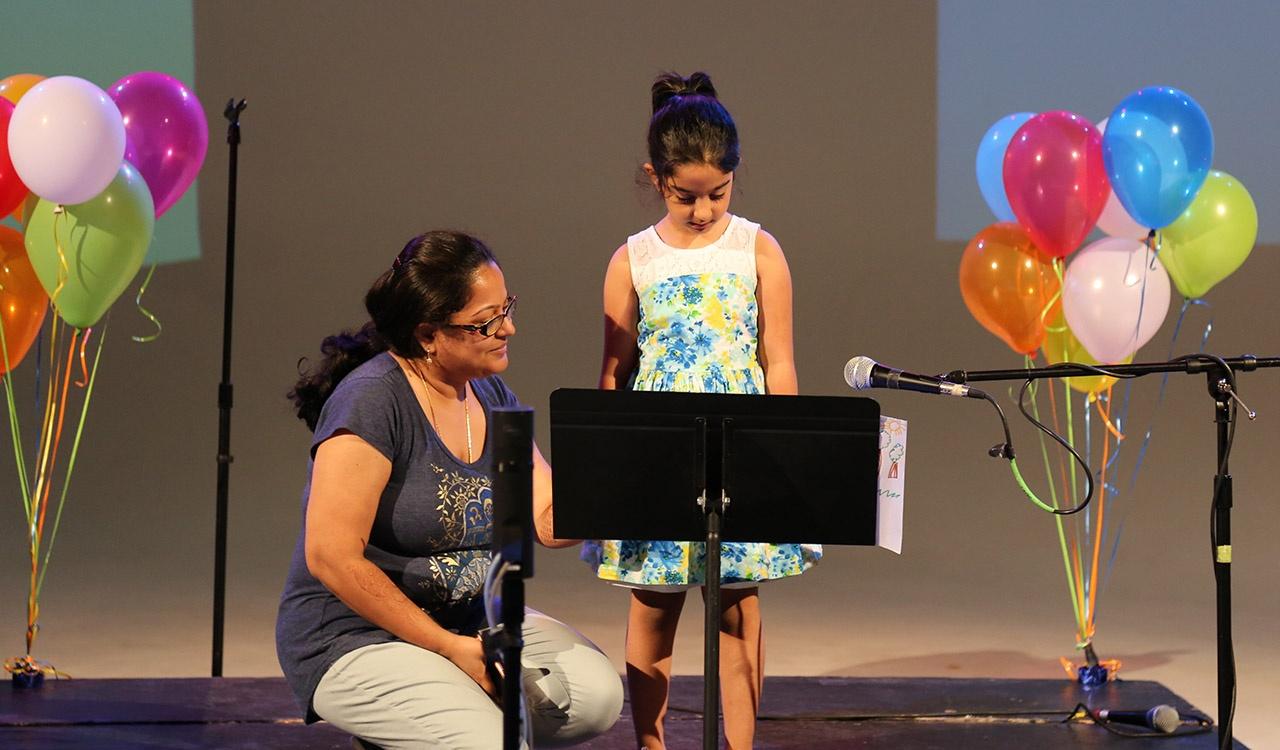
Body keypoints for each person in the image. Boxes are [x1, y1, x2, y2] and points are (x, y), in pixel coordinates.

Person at [277, 230, 623, 750]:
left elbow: (546, 519)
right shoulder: (372, 403)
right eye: (486, 322)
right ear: (428, 335)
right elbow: (330, 557)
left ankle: (428, 717)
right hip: (354, 634)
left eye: (505, 307)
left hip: (466, 619)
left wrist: (623, 489)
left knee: (591, 698)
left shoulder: (491, 392)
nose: (509, 327)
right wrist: (448, 648)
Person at [583, 72, 820, 749]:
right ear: (658, 179)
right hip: (661, 450)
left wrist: (787, 455)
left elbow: (779, 360)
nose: (703, 210)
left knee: (738, 606)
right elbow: (614, 371)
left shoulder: (758, 249)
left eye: (718, 193)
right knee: (652, 607)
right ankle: (651, 743)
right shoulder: (633, 259)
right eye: (687, 195)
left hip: (739, 450)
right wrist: (610, 462)